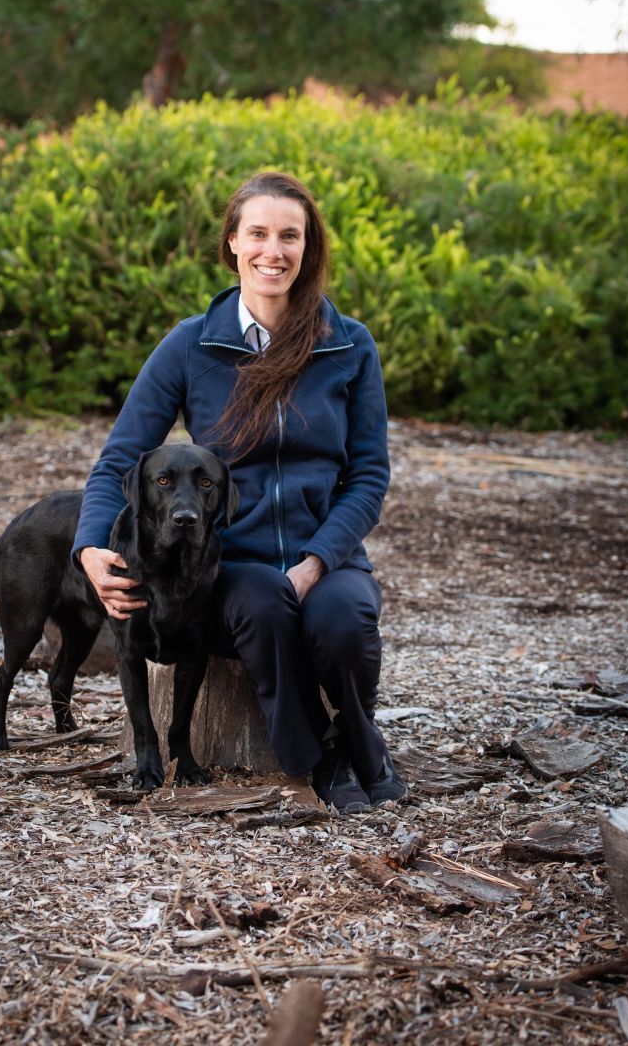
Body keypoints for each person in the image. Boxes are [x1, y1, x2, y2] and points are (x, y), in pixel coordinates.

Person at [72, 171, 406, 814]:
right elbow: (121, 456)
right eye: (257, 233)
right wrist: (89, 547)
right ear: (232, 243)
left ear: (307, 249)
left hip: (325, 551)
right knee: (265, 609)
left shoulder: (349, 345)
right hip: (231, 561)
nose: (272, 251)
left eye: (289, 236)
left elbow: (369, 475)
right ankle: (321, 758)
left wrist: (317, 559)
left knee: (344, 622)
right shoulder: (192, 343)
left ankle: (360, 736)